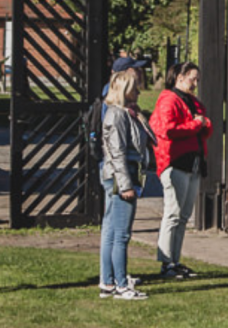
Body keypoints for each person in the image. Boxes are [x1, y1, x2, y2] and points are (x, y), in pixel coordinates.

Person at [150, 62, 213, 278]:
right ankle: (166, 262)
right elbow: (166, 130)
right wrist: (196, 124)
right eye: (192, 79)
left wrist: (203, 124)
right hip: (175, 161)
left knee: (184, 215)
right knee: (173, 213)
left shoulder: (192, 102)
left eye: (197, 80)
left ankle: (174, 261)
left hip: (193, 162)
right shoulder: (169, 99)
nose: (195, 84)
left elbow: (204, 126)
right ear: (179, 77)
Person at [99, 72, 155, 300]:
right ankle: (121, 285)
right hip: (122, 176)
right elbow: (117, 153)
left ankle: (108, 282)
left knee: (113, 231)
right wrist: (125, 185)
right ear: (124, 90)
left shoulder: (127, 114)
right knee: (121, 234)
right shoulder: (117, 115)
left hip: (121, 175)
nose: (139, 92)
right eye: (134, 88)